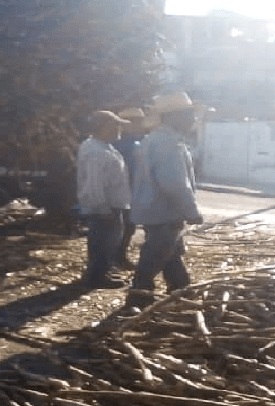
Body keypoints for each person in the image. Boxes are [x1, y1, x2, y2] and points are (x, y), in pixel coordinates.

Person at [128, 91, 204, 307]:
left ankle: (181, 291)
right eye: (187, 114)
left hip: (155, 210)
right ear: (172, 116)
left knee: (170, 254)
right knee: (155, 255)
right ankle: (138, 298)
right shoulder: (168, 144)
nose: (192, 119)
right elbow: (175, 184)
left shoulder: (155, 140)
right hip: (164, 211)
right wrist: (192, 211)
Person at [76, 110, 132, 289]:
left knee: (108, 241)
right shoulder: (96, 151)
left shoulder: (103, 146)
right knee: (103, 242)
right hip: (104, 207)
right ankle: (97, 276)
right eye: (116, 125)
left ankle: (100, 273)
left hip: (110, 205)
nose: (119, 128)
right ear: (104, 127)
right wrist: (102, 208)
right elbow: (94, 183)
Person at [112, 108, 147, 269]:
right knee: (123, 227)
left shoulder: (134, 143)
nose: (141, 126)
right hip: (124, 193)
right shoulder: (124, 145)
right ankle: (116, 257)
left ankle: (118, 256)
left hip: (129, 192)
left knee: (127, 227)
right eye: (137, 122)